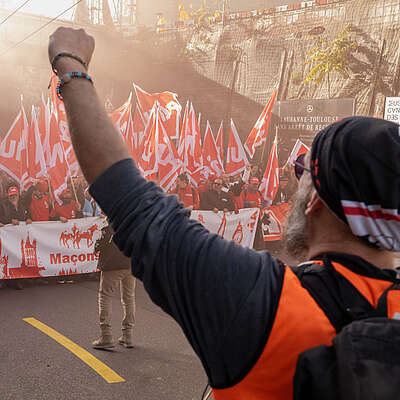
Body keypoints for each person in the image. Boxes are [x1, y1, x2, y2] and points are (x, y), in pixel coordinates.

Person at [48, 28, 400, 399]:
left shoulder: (263, 299)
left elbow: (129, 201)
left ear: (315, 201)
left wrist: (71, 65)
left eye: (303, 177)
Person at [92, 224, 136, 349]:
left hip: (113, 264)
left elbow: (101, 243)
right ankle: (128, 335)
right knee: (129, 298)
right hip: (130, 263)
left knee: (105, 296)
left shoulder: (109, 225)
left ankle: (106, 336)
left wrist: (96, 247)